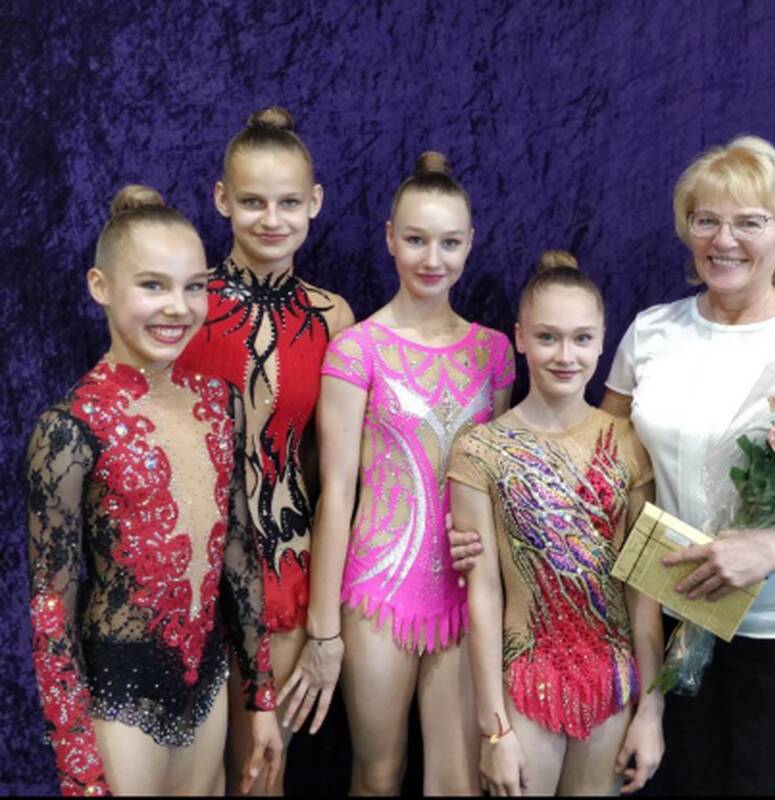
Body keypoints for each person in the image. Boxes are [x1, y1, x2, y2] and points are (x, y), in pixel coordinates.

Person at [452, 136, 775, 794]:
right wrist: (491, 529)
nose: (724, 239)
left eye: (748, 222)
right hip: (669, 621)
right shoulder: (652, 332)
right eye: (707, 220)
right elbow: (591, 467)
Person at [26, 185, 283, 796]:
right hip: (120, 698)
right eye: (152, 286)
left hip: (208, 689)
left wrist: (261, 699)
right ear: (100, 286)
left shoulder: (218, 404)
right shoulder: (71, 427)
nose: (177, 307)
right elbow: (51, 610)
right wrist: (80, 770)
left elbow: (238, 554)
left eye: (193, 287)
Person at [300, 152, 515, 794]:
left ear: (470, 243)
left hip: (467, 591)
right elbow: (337, 492)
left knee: (457, 782)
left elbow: (494, 484)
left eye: (449, 242)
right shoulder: (357, 349)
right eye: (417, 240)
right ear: (390, 237)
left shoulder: (494, 351)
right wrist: (323, 628)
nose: (432, 259)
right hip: (378, 591)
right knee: (378, 776)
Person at [175, 106, 353, 794]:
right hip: (189, 564)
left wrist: (326, 619)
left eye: (288, 203)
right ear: (222, 200)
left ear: (315, 202)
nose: (271, 219)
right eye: (252, 202)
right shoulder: (185, 304)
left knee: (259, 775)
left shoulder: (333, 317)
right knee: (190, 778)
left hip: (285, 564)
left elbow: (334, 473)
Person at [448, 251, 664, 796]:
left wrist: (651, 709)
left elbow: (643, 590)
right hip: (526, 680)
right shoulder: (481, 448)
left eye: (581, 339)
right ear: (520, 338)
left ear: (602, 340)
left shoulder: (629, 443)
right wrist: (494, 729)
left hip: (611, 680)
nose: (565, 356)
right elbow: (484, 593)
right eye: (547, 338)